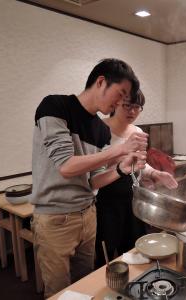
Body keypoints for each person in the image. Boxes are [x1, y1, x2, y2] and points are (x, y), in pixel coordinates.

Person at [31, 58, 149, 298]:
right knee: (59, 291)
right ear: (101, 81)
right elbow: (65, 166)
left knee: (84, 284)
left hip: (88, 214)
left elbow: (93, 181)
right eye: (120, 94)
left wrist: (121, 169)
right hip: (55, 218)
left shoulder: (100, 129)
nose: (122, 102)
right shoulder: (55, 107)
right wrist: (119, 150)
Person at [94, 90, 178, 268]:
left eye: (137, 107)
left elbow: (139, 164)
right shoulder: (100, 128)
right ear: (115, 103)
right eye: (127, 105)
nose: (132, 111)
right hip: (107, 196)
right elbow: (94, 169)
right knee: (105, 250)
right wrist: (121, 156)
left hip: (133, 196)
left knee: (135, 246)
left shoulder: (137, 131)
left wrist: (155, 173)